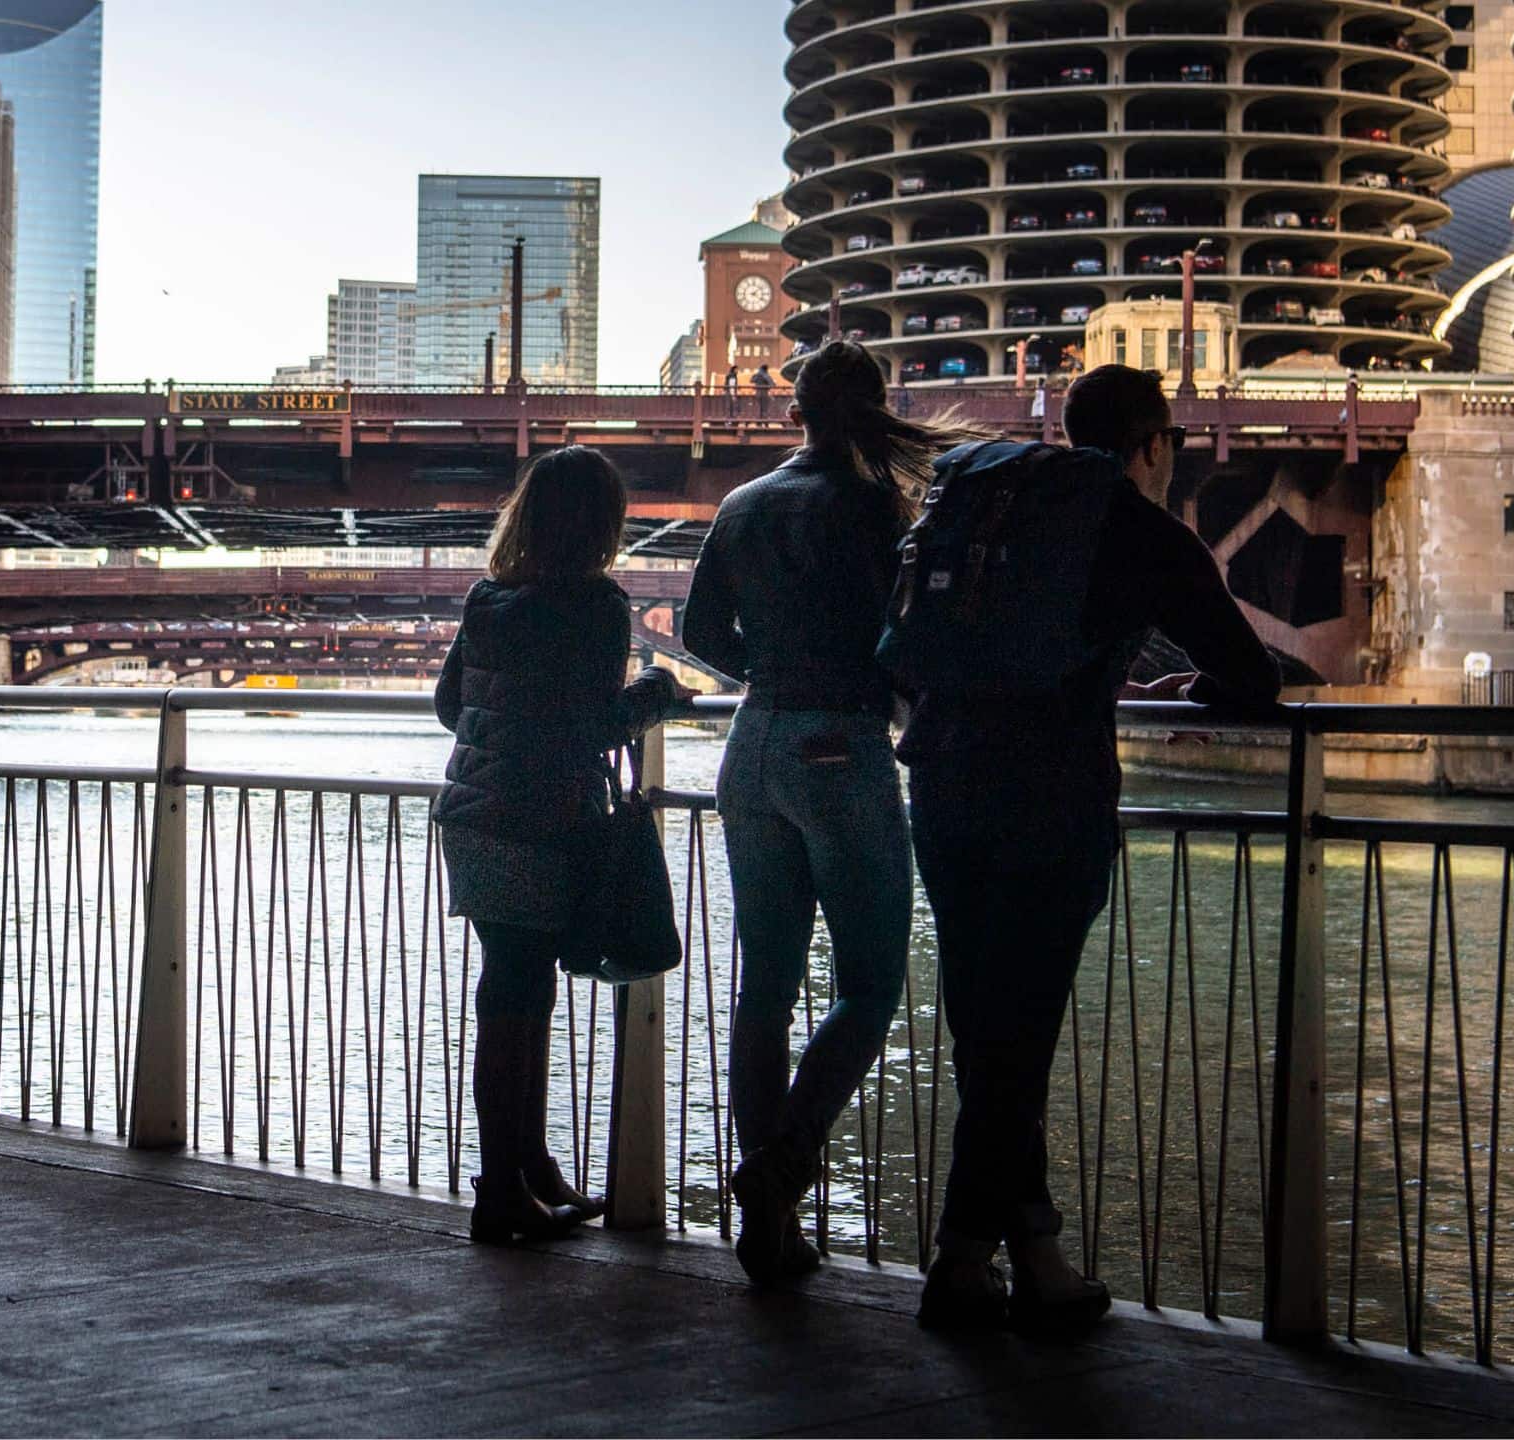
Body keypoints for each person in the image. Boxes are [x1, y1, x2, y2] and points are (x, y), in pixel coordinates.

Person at [899, 364, 1280, 1336]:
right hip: (1048, 803)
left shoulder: (998, 507)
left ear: (1070, 430)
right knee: (1014, 1044)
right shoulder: (1142, 528)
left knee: (985, 1032)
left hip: (940, 781)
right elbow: (1248, 676)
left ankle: (1037, 1257)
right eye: (1172, 448)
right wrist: (1173, 689)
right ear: (1152, 445)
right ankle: (958, 1259)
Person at [680, 340, 982, 1286]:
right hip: (841, 747)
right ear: (875, 408)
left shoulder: (741, 505)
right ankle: (780, 1169)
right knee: (869, 984)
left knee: (762, 994)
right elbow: (912, 637)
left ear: (795, 411)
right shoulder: (878, 508)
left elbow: (696, 634)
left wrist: (768, 677)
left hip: (752, 743)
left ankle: (767, 1235)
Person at [434, 445, 679, 1245]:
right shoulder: (598, 605)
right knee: (517, 996)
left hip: (473, 816)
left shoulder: (486, 596)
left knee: (512, 991)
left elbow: (448, 707)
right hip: (541, 818)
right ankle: (502, 1190)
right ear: (602, 524)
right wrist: (655, 693)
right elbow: (596, 724)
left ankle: (526, 1170)